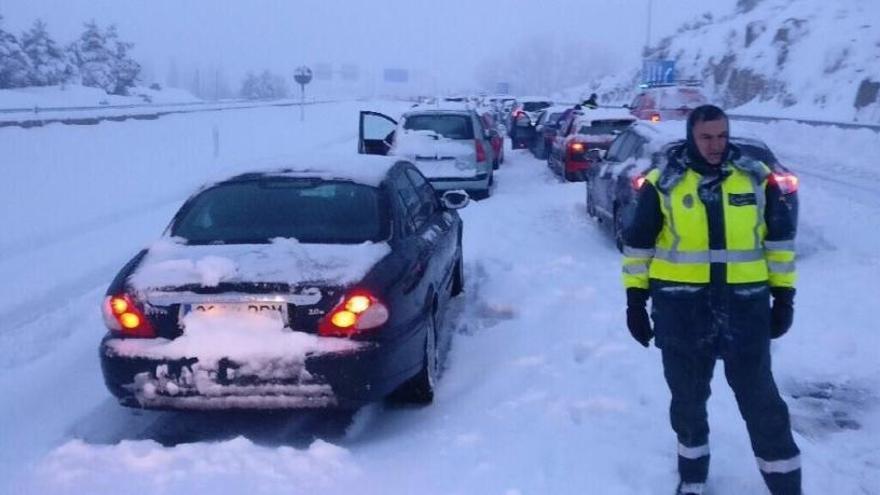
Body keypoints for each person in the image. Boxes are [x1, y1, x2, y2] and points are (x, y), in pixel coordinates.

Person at [621, 105, 801, 495]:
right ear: (691, 136)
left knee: (763, 405)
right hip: (681, 311)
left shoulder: (756, 179)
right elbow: (638, 247)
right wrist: (635, 302)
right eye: (706, 137)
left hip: (745, 309)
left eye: (721, 135)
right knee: (687, 403)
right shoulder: (663, 184)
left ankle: (786, 485)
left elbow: (780, 245)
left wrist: (784, 297)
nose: (716, 144)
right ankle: (693, 478)